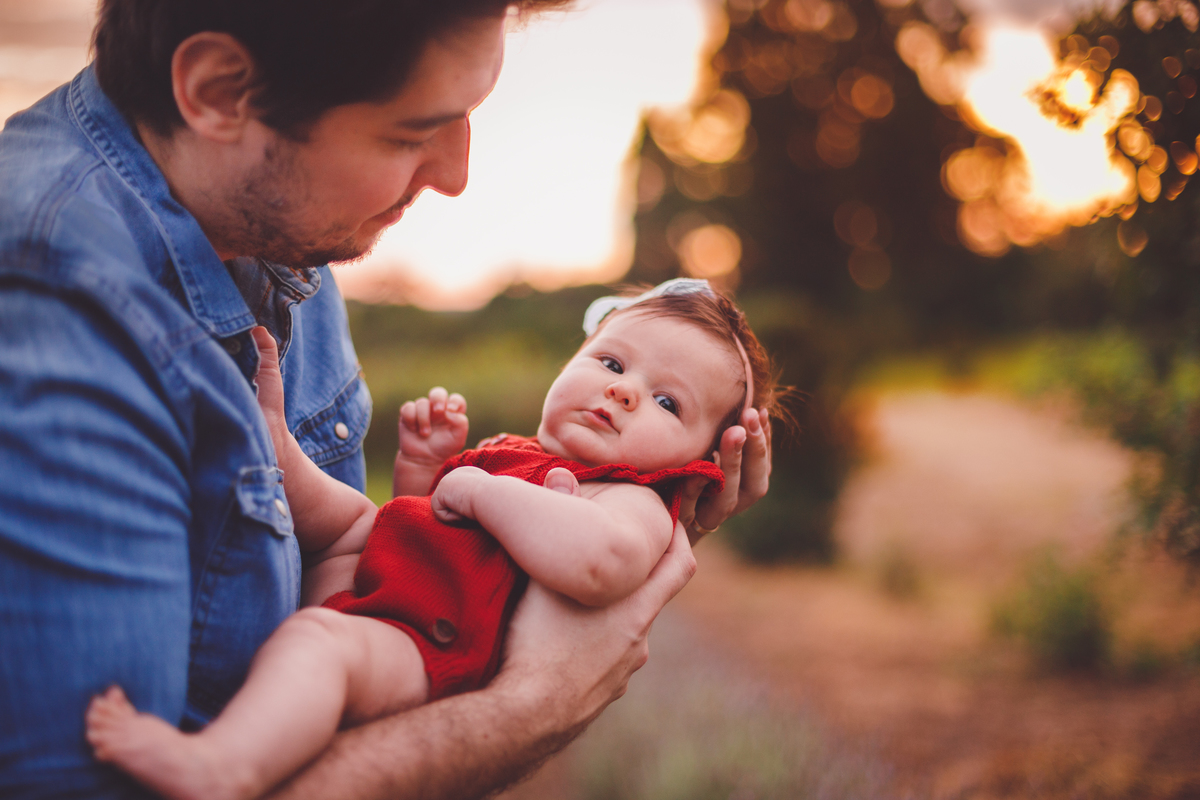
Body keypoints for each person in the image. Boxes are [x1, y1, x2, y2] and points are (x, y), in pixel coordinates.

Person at [0, 2, 772, 798]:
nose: (456, 176)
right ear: (220, 92)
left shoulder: (281, 227)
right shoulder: (55, 314)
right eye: (411, 133)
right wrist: (533, 705)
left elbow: (436, 539)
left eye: (670, 404)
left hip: (398, 636)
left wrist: (638, 503)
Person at [85, 280, 785, 800]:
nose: (625, 391)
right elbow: (431, 528)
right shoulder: (517, 452)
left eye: (667, 402)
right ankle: (276, 449)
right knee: (351, 517)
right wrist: (425, 471)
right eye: (610, 362)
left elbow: (602, 562)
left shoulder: (631, 498)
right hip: (401, 595)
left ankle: (221, 768)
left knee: (320, 647)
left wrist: (479, 489)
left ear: (700, 460)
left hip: (433, 647)